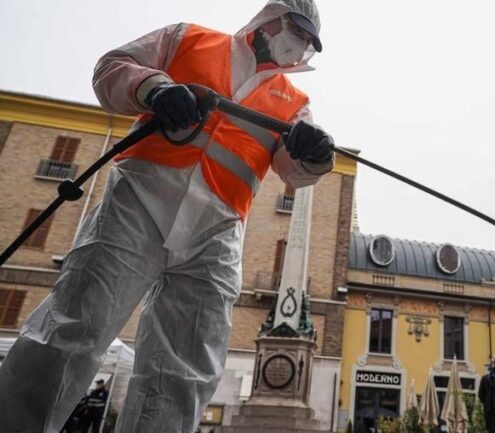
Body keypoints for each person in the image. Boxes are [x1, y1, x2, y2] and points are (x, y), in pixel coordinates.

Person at [0, 1, 333, 432]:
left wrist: (316, 154)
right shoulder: (187, 38)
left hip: (218, 230)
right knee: (71, 329)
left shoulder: (294, 102)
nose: (302, 47)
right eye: (300, 33)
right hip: (139, 199)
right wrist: (154, 89)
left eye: (310, 42)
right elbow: (112, 67)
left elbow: (295, 169)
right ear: (271, 19)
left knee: (184, 369)